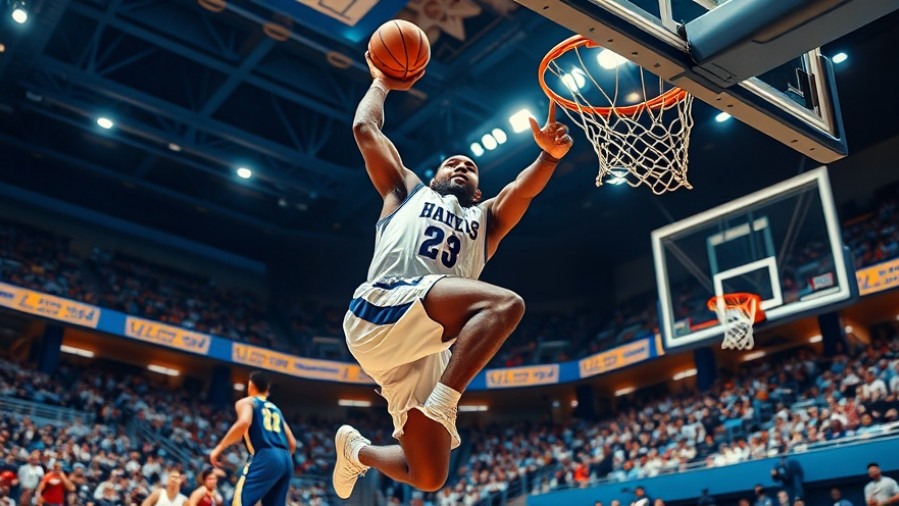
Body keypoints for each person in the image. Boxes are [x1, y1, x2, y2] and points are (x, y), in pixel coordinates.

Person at [331, 49, 573, 499]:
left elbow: (522, 192)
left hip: (423, 345)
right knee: (505, 304)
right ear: (436, 174)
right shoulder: (405, 190)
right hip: (382, 309)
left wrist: (548, 159)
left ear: (478, 188)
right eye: (452, 163)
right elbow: (365, 129)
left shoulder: (487, 221)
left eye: (470, 167)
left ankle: (356, 451)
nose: (461, 165)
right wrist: (382, 82)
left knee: (428, 476)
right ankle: (444, 403)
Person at [210, 371, 296, 506]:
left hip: (266, 454)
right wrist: (279, 461)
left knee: (240, 501)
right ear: (267, 390)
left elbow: (244, 422)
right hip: (285, 459)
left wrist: (219, 448)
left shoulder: (247, 402)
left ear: (251, 385)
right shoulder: (276, 409)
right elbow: (292, 443)